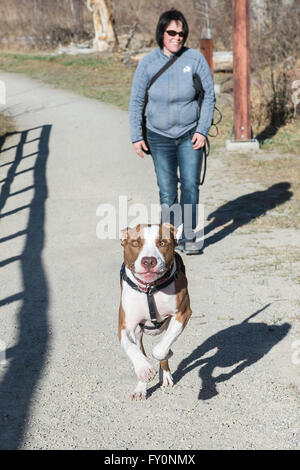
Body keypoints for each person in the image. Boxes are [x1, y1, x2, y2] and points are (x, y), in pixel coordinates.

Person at [129, 9, 215, 254]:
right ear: (162, 33)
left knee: (190, 186)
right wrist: (137, 135)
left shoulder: (195, 60)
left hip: (190, 134)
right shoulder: (148, 63)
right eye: (172, 33)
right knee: (167, 190)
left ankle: (189, 236)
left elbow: (209, 96)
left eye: (181, 33)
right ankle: (169, 237)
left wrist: (202, 129)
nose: (177, 37)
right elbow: (136, 100)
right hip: (158, 136)